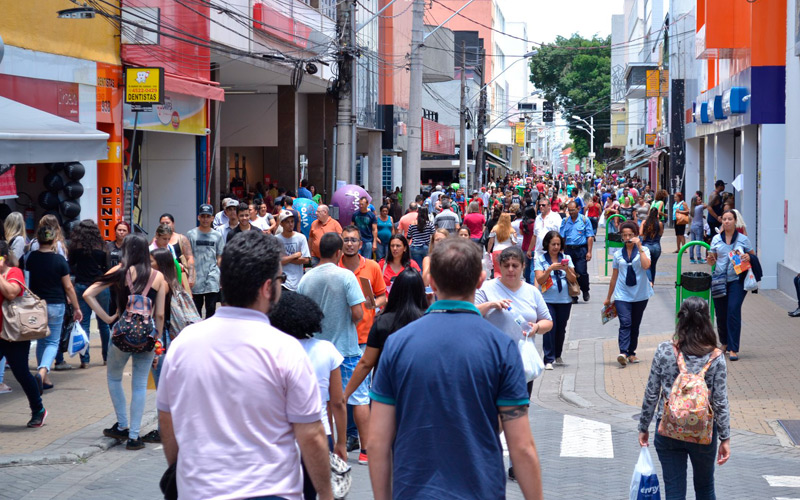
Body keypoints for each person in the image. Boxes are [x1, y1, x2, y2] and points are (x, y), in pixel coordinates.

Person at [156, 231, 333, 499]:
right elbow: (312, 435)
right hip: (270, 492)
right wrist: (327, 493)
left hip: (199, 491)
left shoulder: (182, 345)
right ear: (266, 288)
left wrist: (182, 472)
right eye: (280, 279)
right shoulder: (286, 350)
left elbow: (166, 420)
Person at [368, 238, 543, 500]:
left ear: (433, 283)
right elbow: (522, 447)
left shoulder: (396, 344)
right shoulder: (502, 348)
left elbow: (376, 442)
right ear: (481, 280)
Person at [638, 297, 730, 500]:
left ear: (680, 320)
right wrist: (725, 437)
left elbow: (652, 392)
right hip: (703, 431)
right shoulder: (715, 356)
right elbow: (720, 401)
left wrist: (643, 427)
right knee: (705, 488)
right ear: (707, 320)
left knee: (674, 490)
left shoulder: (665, 350)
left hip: (669, 428)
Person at [83, 234, 167, 450]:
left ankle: (122, 425)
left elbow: (88, 294)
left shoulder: (119, 271)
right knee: (139, 384)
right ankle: (134, 437)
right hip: (147, 337)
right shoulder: (159, 277)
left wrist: (108, 318)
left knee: (114, 377)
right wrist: (155, 338)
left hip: (121, 334)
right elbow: (159, 315)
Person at [297, 233, 369, 465]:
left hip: (315, 349)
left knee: (324, 400)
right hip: (346, 349)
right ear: (339, 252)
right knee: (357, 399)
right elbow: (358, 312)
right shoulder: (346, 276)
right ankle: (365, 449)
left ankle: (326, 444)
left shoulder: (306, 279)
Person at [268, 290, 347, 500]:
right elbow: (338, 402)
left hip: (280, 435)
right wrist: (341, 442)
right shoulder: (327, 350)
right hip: (321, 432)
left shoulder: (271, 352)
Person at [342, 268, 426, 416]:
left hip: (385, 393)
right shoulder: (427, 322)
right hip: (419, 393)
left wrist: (346, 394)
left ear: (395, 292)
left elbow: (366, 363)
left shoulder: (382, 322)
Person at [338, 225, 387, 453]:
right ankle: (350, 435)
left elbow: (382, 296)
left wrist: (372, 305)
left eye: (353, 240)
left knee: (360, 390)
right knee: (344, 389)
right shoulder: (334, 267)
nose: (349, 243)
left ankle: (362, 437)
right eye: (346, 239)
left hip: (365, 337)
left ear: (360, 243)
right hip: (339, 339)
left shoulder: (373, 267)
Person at [476, 246, 553, 379]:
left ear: (523, 266)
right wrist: (490, 305)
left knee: (522, 399)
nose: (510, 269)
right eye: (506, 265)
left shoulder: (532, 291)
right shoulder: (486, 288)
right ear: (499, 266)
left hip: (523, 362)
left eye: (515, 265)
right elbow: (470, 313)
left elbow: (548, 321)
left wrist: (537, 327)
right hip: (493, 362)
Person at [23, 226, 83, 391]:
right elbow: (69, 287)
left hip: (35, 305)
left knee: (41, 339)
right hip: (56, 304)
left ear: (38, 239)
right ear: (54, 240)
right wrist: (77, 308)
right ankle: (42, 372)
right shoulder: (59, 260)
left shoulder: (30, 258)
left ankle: (44, 377)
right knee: (52, 341)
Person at [0, 241, 47, 427]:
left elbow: (12, 293)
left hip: (13, 332)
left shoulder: (14, 272)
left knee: (21, 372)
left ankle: (38, 410)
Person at [605, 221, 653, 367]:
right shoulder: (618, 254)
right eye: (624, 235)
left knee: (635, 324)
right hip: (622, 294)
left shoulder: (644, 250)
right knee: (625, 322)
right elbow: (614, 276)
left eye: (630, 235)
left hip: (640, 293)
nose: (627, 238)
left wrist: (639, 246)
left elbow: (646, 266)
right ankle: (623, 352)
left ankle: (632, 352)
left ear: (636, 235)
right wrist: (608, 297)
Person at [708, 210, 754, 361]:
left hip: (737, 280)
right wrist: (710, 259)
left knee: (733, 310)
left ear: (735, 221)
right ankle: (725, 343)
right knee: (721, 314)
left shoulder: (743, 239)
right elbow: (711, 259)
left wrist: (748, 256)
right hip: (720, 280)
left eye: (730, 219)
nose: (727, 221)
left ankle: (734, 348)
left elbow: (752, 256)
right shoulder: (716, 239)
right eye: (725, 219)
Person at [68, 220, 110, 367]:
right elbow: (107, 266)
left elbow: (71, 264)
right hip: (100, 286)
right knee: (104, 323)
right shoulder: (102, 246)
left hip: (81, 286)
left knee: (84, 322)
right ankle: (107, 357)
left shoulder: (75, 247)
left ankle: (84, 360)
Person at [534, 231, 577, 370]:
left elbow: (573, 279)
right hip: (547, 299)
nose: (556, 247)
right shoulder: (541, 260)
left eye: (558, 244)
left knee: (561, 329)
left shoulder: (566, 258)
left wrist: (567, 270)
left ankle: (558, 354)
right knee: (549, 329)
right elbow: (540, 280)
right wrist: (549, 269)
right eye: (553, 244)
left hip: (564, 300)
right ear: (547, 244)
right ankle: (548, 358)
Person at [186, 204, 225, 318]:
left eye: (208, 216)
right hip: (196, 278)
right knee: (196, 309)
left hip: (212, 277)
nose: (205, 219)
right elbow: (187, 256)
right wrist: (190, 275)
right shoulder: (191, 234)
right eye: (203, 216)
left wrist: (220, 276)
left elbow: (220, 256)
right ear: (198, 217)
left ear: (212, 218)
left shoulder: (217, 235)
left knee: (211, 308)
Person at [560, 201, 595, 303]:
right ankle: (573, 295)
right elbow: (562, 237)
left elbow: (589, 237)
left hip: (581, 250)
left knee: (581, 272)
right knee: (570, 272)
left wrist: (589, 252)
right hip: (568, 250)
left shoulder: (584, 220)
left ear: (578, 209)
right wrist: (561, 251)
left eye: (573, 210)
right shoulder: (565, 221)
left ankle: (585, 289)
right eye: (569, 210)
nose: (571, 212)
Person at [155, 214, 195, 287]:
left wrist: (191, 276)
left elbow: (190, 258)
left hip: (179, 276)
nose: (165, 225)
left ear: (173, 223)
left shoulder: (181, 239)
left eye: (167, 223)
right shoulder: (155, 241)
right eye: (162, 223)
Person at [277, 210, 310, 291]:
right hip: (282, 283)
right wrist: (294, 256)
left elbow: (306, 260)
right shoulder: (277, 239)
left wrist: (285, 259)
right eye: (287, 222)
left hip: (298, 282)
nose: (291, 224)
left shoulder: (301, 238)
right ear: (281, 224)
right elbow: (277, 261)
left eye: (292, 221)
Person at [487, 213, 517, 278]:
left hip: (496, 251)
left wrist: (488, 251)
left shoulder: (495, 228)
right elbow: (514, 243)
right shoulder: (511, 230)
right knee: (508, 271)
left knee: (497, 271)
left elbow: (490, 242)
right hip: (509, 252)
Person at [641, 208, 664, 284]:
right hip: (656, 246)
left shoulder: (644, 222)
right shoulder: (660, 223)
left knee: (647, 265)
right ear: (657, 215)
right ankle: (652, 283)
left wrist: (645, 235)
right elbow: (660, 234)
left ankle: (650, 281)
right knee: (653, 265)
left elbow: (640, 233)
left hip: (646, 246)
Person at [689, 191, 707, 264]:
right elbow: (707, 205)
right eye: (699, 200)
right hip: (698, 226)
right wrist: (702, 203)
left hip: (693, 226)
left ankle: (692, 258)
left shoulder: (693, 208)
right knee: (699, 242)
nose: (701, 201)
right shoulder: (700, 207)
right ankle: (699, 258)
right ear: (696, 202)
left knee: (692, 243)